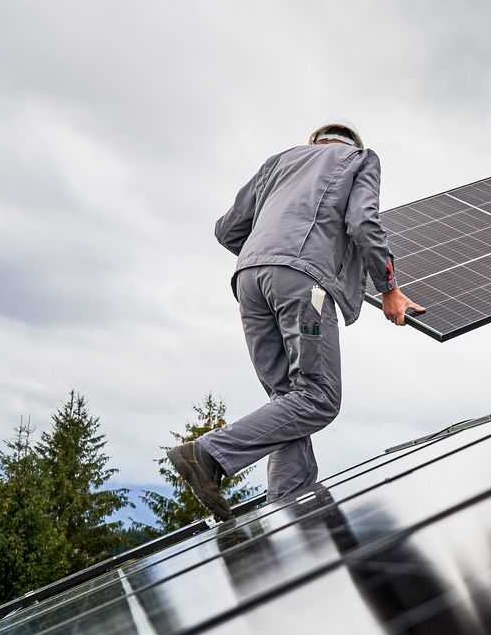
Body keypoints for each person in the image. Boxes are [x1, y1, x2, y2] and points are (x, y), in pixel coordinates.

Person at [168, 119, 423, 519]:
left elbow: (227, 230)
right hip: (303, 284)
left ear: (314, 143)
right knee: (319, 398)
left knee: (289, 400)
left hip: (248, 280)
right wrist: (388, 287)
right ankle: (209, 453)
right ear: (351, 144)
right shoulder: (360, 159)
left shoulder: (278, 162)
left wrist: (269, 251)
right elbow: (362, 222)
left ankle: (286, 512)